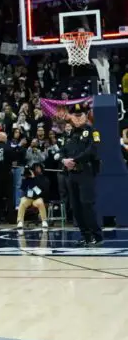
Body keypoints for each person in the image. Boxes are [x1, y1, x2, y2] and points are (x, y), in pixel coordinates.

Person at [61, 103, 103, 246]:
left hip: (85, 172)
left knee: (86, 204)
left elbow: (93, 150)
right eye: (75, 115)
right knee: (75, 206)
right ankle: (85, 235)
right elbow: (63, 150)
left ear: (86, 116)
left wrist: (74, 160)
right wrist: (64, 160)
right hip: (71, 174)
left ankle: (96, 235)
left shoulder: (93, 131)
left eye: (81, 115)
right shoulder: (70, 134)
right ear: (71, 117)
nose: (78, 118)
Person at [17, 163, 50, 231]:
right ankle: (20, 221)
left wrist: (34, 178)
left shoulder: (44, 178)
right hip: (28, 198)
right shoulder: (28, 177)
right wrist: (25, 178)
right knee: (22, 202)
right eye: (36, 168)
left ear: (41, 169)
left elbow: (43, 189)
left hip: (37, 197)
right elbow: (23, 188)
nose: (37, 169)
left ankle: (44, 221)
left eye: (38, 168)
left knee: (40, 203)